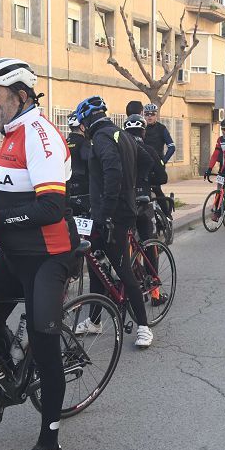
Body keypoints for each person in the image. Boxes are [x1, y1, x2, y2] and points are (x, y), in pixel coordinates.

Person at [0, 57, 79, 450]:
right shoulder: (9, 135)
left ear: (21, 95)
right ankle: (12, 382)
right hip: (14, 255)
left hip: (48, 257)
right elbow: (11, 199)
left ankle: (50, 444)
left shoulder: (40, 136)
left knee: (46, 348)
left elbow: (50, 207)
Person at [75, 97, 154, 349]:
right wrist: (136, 185)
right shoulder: (123, 134)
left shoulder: (100, 138)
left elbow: (113, 172)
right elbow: (147, 160)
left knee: (123, 270)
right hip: (110, 212)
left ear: (87, 120)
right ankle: (95, 320)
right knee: (96, 261)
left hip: (113, 216)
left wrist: (108, 212)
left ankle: (143, 327)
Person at [125, 113, 159, 242]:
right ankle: (151, 258)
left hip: (126, 198)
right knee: (149, 237)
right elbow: (162, 177)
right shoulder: (149, 150)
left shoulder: (120, 149)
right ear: (143, 132)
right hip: (144, 196)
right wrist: (149, 179)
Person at [142, 103, 175, 215]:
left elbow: (171, 147)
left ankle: (167, 215)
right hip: (143, 165)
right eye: (147, 114)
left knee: (156, 189)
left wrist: (163, 161)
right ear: (143, 115)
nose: (149, 116)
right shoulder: (141, 128)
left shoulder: (162, 129)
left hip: (157, 165)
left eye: (152, 114)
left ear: (156, 115)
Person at [66, 113, 92, 217]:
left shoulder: (64, 142)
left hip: (67, 188)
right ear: (82, 127)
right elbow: (88, 159)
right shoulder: (84, 143)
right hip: (84, 190)